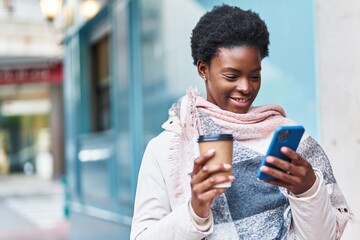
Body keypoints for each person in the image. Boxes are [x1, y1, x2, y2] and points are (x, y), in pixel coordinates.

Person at [130, 4, 351, 240]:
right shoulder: (168, 148)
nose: (246, 87)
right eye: (231, 76)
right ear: (203, 69)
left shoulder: (287, 137)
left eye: (255, 76)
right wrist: (195, 211)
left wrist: (308, 190)